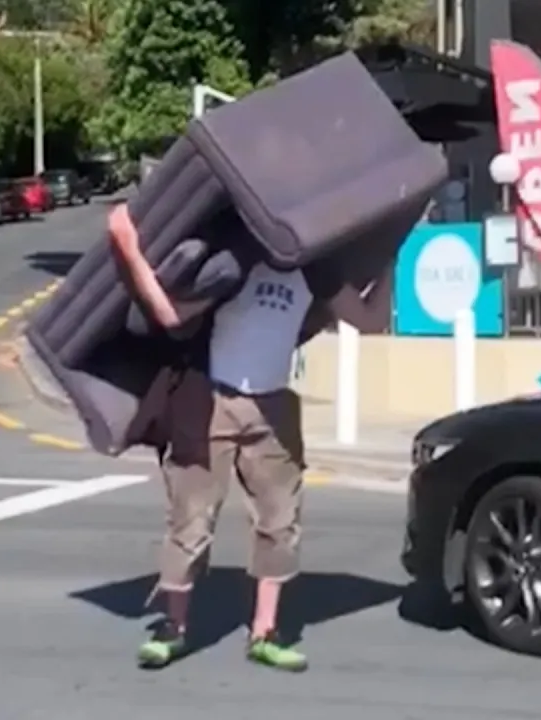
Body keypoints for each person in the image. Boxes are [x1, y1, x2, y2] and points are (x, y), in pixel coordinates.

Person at [107, 203, 391, 671]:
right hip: (209, 402)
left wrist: (388, 260)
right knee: (191, 519)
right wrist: (128, 246)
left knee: (280, 519)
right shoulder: (232, 259)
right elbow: (171, 315)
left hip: (273, 406)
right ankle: (174, 627)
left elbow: (370, 321)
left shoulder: (315, 271)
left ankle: (265, 631)